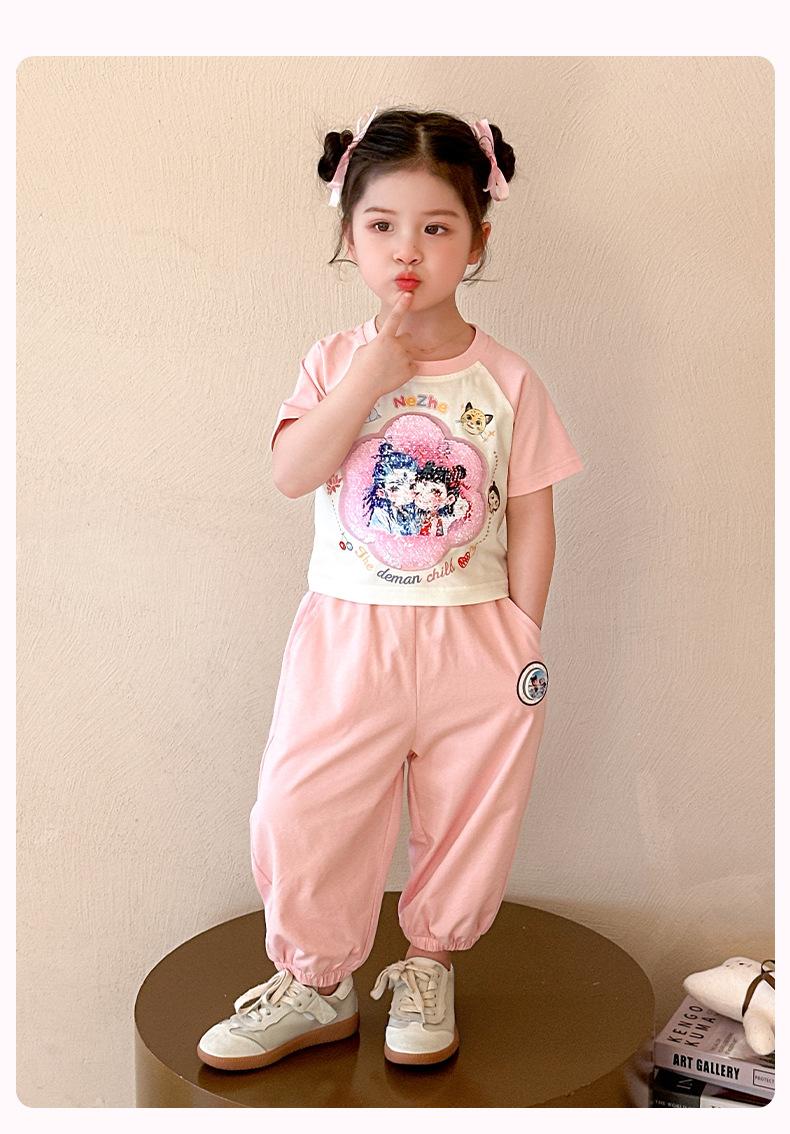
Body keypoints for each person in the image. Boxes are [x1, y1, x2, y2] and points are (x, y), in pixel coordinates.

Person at [197, 104, 584, 1072]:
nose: (407, 249)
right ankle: (316, 982)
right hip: (349, 636)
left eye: (436, 226)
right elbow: (292, 474)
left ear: (476, 241)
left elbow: (532, 513)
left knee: (469, 812)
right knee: (303, 807)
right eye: (382, 225)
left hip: (476, 640)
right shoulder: (333, 361)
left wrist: (522, 631)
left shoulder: (507, 379)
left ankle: (428, 967)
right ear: (350, 235)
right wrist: (369, 376)